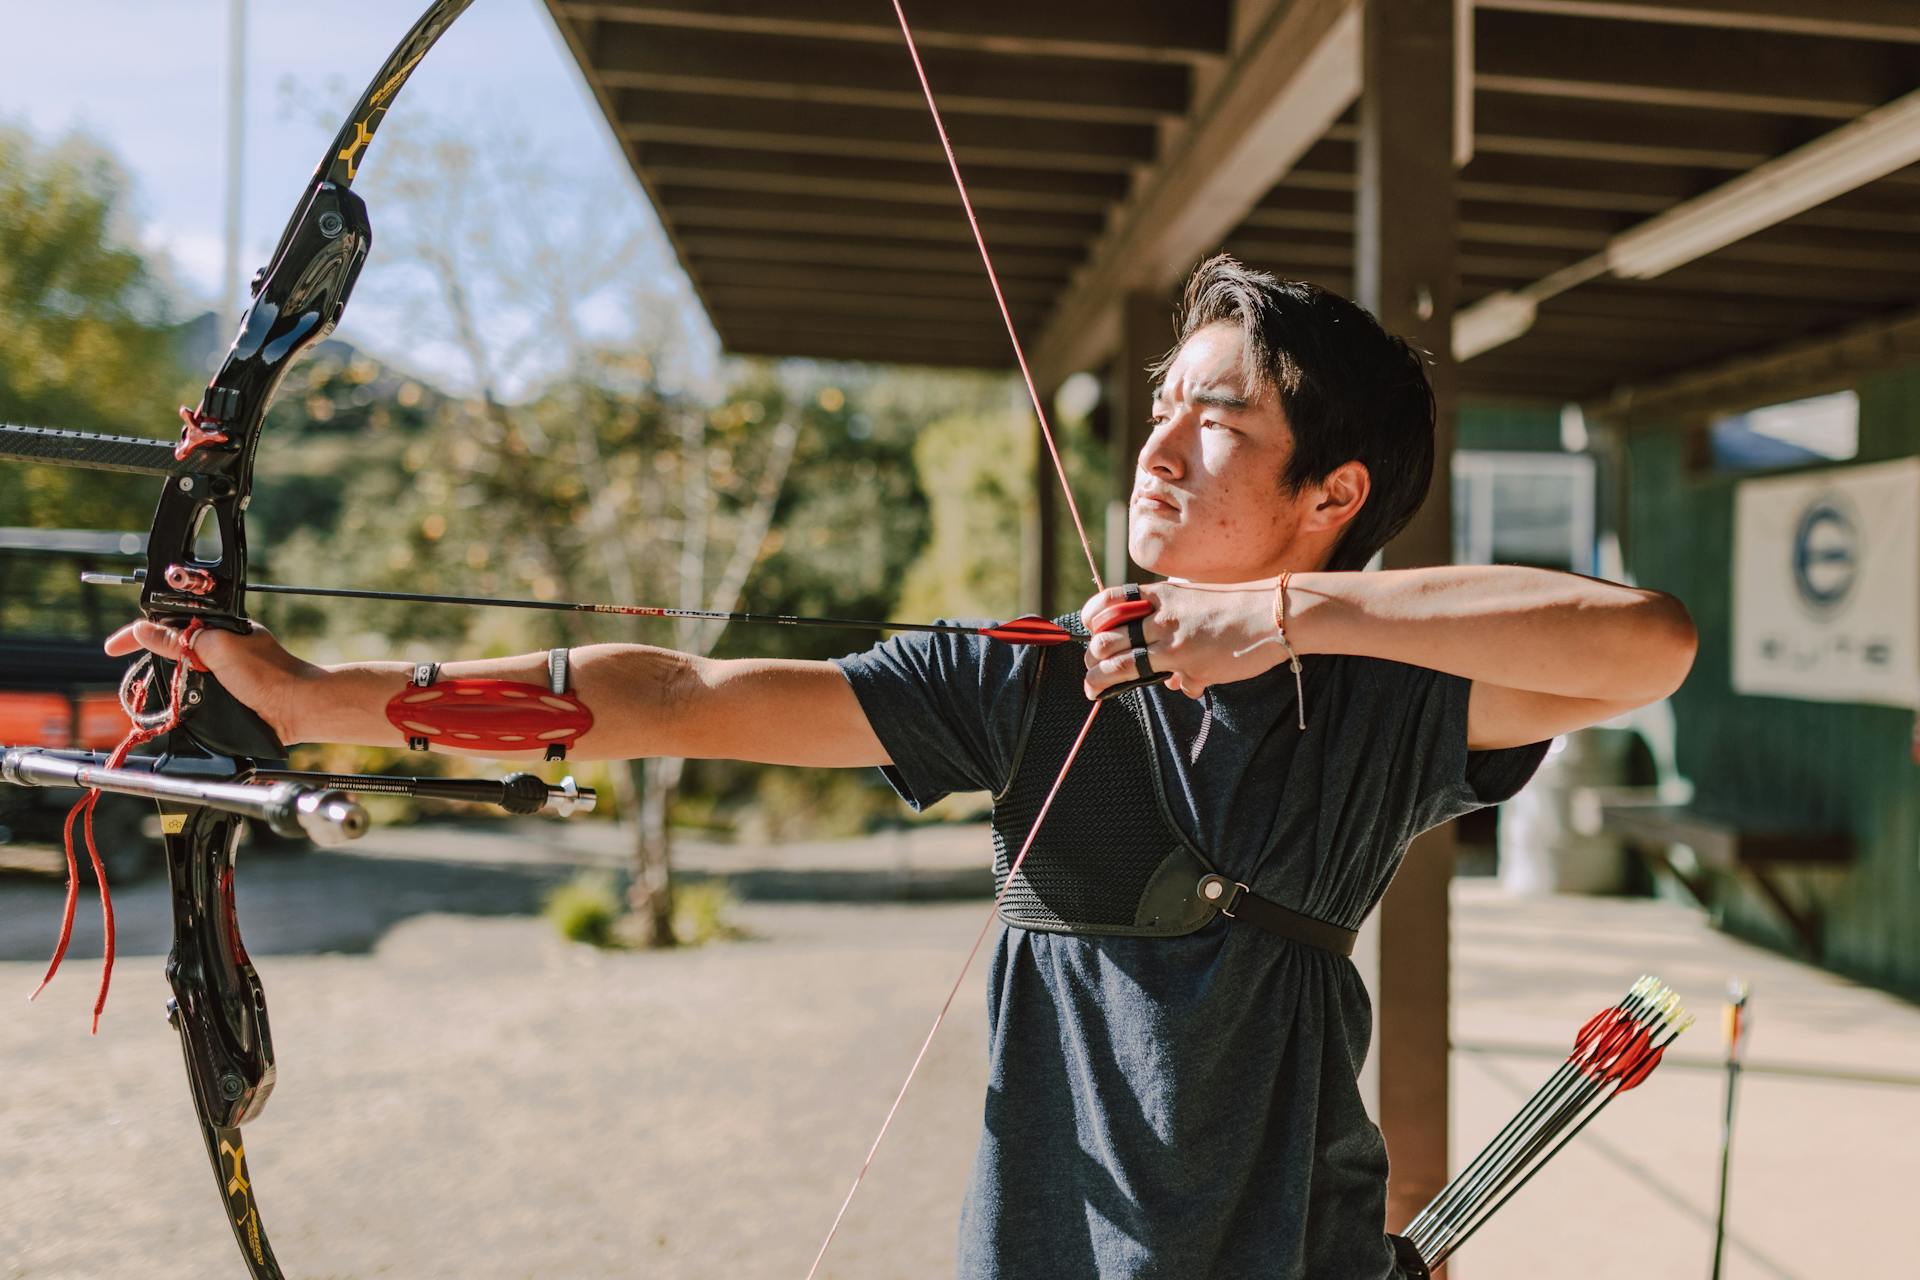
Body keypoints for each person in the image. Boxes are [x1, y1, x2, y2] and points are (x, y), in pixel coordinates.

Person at [108, 256, 1696, 1278]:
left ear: (1332, 491)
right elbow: (673, 694)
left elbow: (1648, 644)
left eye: (1215, 422)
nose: (1155, 444)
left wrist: (1284, 617)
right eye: (1158, 407)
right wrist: (316, 693)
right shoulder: (1027, 689)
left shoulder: (1376, 706)